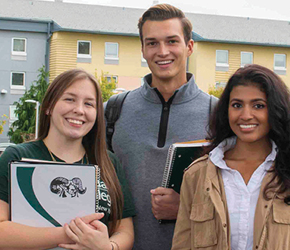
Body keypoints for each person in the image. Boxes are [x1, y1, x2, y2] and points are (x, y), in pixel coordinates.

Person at [172, 64, 290, 250]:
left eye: (258, 105)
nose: (246, 115)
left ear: (275, 110)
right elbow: (182, 244)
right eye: (237, 105)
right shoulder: (196, 175)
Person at [107, 4, 216, 249]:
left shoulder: (219, 114)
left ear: (189, 47)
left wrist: (187, 207)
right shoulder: (113, 110)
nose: (162, 51)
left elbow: (241, 197)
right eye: (152, 43)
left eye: (172, 41)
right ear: (143, 49)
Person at [0, 69, 135, 249]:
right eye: (69, 99)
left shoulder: (108, 162)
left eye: (89, 104)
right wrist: (72, 234)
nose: (79, 110)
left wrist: (108, 247)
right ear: (48, 106)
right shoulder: (16, 157)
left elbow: (124, 231)